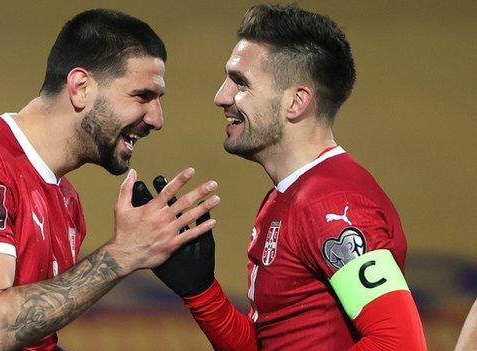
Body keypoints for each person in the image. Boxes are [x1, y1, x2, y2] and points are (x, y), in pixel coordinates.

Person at [0, 9, 220, 351]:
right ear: (81, 87)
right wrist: (124, 254)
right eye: (142, 96)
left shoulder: (66, 202)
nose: (157, 119)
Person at [148, 4, 428, 350]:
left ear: (296, 102)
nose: (221, 97)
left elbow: (399, 343)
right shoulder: (287, 198)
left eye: (240, 83)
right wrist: (201, 291)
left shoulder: (332, 206)